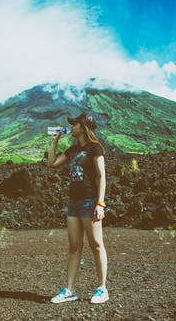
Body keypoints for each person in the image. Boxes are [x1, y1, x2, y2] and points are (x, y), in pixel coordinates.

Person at [47, 113, 109, 304]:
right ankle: (70, 290)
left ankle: (102, 289)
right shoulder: (73, 149)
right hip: (73, 202)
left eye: (75, 125)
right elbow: (52, 164)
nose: (72, 127)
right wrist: (54, 142)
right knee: (74, 247)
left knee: (96, 245)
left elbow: (101, 176)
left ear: (83, 127)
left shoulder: (95, 148)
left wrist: (100, 203)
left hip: (90, 201)